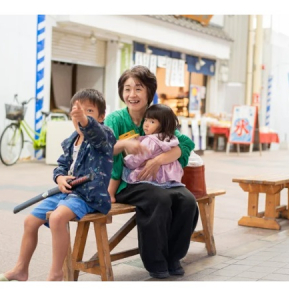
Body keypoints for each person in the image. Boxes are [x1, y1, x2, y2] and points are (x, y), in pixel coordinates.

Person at [0, 88, 116, 281]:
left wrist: (86, 121)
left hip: (89, 197)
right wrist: (60, 179)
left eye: (89, 111)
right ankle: (21, 269)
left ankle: (56, 274)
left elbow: (95, 132)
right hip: (66, 194)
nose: (81, 116)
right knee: (29, 221)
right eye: (76, 112)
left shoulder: (104, 136)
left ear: (102, 116)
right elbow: (60, 166)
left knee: (56, 218)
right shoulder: (71, 141)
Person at [104, 65, 199, 279]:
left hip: (160, 180)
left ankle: (173, 257)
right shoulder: (115, 120)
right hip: (124, 184)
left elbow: (183, 144)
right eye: (127, 89)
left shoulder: (158, 114)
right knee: (159, 199)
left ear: (149, 92)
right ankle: (155, 262)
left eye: (138, 88)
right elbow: (104, 150)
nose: (132, 94)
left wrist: (159, 159)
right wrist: (124, 144)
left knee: (187, 201)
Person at [122, 103, 184, 189]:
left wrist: (126, 161)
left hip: (154, 179)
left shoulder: (150, 141)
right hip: (171, 178)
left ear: (163, 125)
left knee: (125, 171)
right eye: (146, 120)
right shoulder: (171, 138)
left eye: (152, 122)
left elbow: (137, 159)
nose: (146, 124)